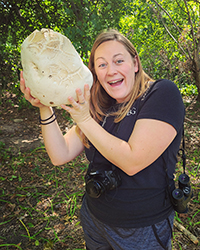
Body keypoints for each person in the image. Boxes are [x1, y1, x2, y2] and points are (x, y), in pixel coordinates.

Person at [20, 29, 185, 250]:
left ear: (135, 63)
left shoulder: (162, 93)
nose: (111, 71)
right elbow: (60, 154)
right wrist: (44, 106)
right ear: (94, 72)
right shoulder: (100, 105)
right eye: (102, 64)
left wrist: (84, 118)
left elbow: (132, 161)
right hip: (94, 217)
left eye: (119, 60)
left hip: (141, 227)